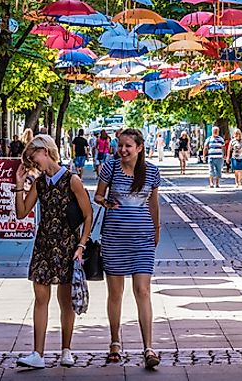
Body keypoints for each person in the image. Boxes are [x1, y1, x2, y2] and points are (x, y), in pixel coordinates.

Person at [13, 135, 93, 369]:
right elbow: (22, 212)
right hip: (44, 244)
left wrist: (81, 245)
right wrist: (19, 185)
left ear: (46, 151)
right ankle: (38, 353)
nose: (32, 162)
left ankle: (66, 350)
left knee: (65, 300)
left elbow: (88, 215)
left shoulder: (72, 180)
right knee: (40, 297)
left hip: (68, 245)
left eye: (33, 156)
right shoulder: (40, 183)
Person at [95, 128, 162, 369]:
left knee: (142, 291)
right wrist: (107, 202)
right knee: (115, 293)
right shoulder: (110, 167)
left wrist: (156, 229)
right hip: (114, 238)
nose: (122, 150)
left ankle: (148, 347)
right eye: (120, 145)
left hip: (142, 239)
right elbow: (97, 196)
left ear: (139, 148)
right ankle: (114, 342)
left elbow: (153, 203)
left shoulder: (152, 172)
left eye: (128, 146)